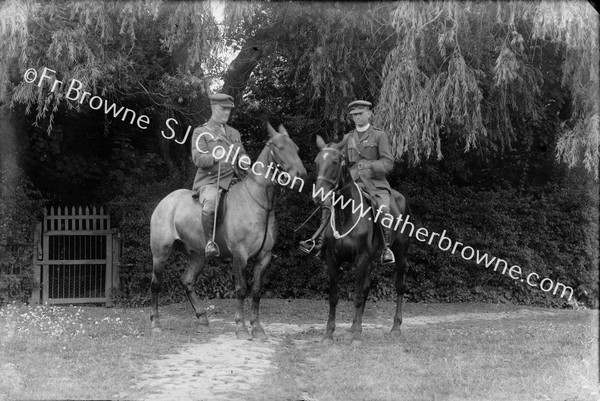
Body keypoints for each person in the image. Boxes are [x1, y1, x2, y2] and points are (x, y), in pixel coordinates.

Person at [299, 100, 396, 264]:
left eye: (360, 114)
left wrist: (368, 165)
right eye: (354, 115)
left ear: (369, 114)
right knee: (328, 202)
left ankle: (386, 249)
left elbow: (388, 163)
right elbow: (338, 159)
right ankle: (319, 243)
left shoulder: (379, 135)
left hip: (375, 186)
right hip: (352, 184)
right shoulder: (347, 138)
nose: (357, 117)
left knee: (383, 209)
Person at [191, 93, 248, 258]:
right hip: (211, 181)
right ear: (213, 108)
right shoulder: (201, 132)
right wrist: (216, 157)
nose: (226, 113)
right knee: (211, 202)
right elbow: (198, 158)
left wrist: (244, 160)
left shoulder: (234, 133)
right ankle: (209, 243)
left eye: (229, 110)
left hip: (235, 178)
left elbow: (241, 154)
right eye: (223, 109)